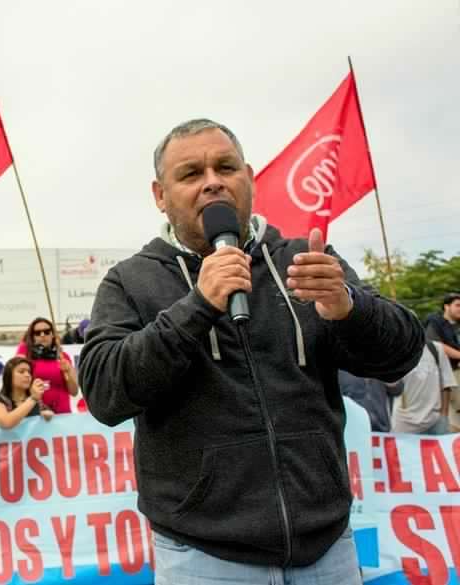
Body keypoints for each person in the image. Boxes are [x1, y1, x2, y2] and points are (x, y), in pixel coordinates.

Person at [78, 118, 424, 583]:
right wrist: (197, 306)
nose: (213, 182)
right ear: (160, 195)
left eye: (226, 167)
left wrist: (350, 308)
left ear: (250, 178)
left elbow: (403, 352)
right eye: (191, 174)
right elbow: (105, 392)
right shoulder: (131, 282)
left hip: (328, 552)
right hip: (204, 558)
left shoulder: (304, 260)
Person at [16, 318, 79, 414]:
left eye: (47, 331)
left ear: (52, 334)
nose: (42, 335)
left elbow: (74, 392)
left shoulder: (63, 356)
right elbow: (16, 384)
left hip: (62, 414)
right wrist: (23, 347)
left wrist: (68, 371)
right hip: (36, 414)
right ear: (32, 336)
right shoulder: (26, 354)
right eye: (37, 333)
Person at [392, 340, 455, 434]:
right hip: (405, 424)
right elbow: (392, 388)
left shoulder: (436, 349)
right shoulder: (397, 352)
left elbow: (446, 385)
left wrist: (444, 416)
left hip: (435, 422)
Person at [424, 292, 460, 432]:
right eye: (457, 305)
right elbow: (437, 345)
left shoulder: (457, 327)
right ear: (446, 306)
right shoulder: (435, 322)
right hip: (443, 378)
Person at [0, 356, 54, 428]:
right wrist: (33, 398)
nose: (27, 375)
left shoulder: (38, 402)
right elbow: (6, 423)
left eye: (29, 372)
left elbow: (50, 417)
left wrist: (47, 416)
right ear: (9, 375)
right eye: (21, 372)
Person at [338, 371, 403, 432]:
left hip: (381, 430)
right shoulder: (341, 370)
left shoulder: (381, 365)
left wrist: (391, 379)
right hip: (353, 430)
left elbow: (398, 390)